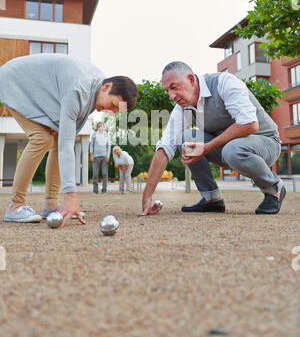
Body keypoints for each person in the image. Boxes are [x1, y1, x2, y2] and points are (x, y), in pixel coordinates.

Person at [0, 53, 138, 227]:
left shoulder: (97, 91)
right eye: (113, 105)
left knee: (57, 140)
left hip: (41, 92)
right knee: (41, 139)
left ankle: (51, 205)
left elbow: (66, 137)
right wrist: (70, 195)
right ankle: (15, 206)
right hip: (14, 82)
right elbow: (67, 145)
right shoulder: (79, 90)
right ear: (107, 87)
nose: (109, 112)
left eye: (115, 112)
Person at [142, 61, 286, 216]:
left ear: (191, 79)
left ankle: (274, 189)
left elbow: (250, 124)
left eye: (174, 87)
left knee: (233, 149)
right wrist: (147, 196)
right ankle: (211, 198)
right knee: (186, 138)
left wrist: (206, 148)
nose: (171, 96)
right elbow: (165, 147)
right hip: (228, 149)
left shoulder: (225, 83)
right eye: (167, 91)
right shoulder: (183, 107)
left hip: (265, 142)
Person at [90, 121, 111, 194]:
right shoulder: (94, 134)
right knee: (95, 174)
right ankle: (95, 191)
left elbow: (109, 146)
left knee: (105, 173)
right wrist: (91, 155)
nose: (100, 127)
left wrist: (108, 156)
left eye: (101, 126)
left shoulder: (107, 134)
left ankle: (104, 190)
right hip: (96, 157)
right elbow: (91, 145)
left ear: (103, 126)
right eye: (98, 126)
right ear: (97, 127)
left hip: (104, 157)